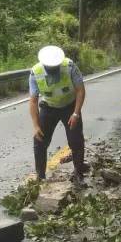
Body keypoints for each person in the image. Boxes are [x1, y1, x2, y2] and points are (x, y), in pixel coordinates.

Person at [29, 45, 86, 181]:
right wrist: (36, 126)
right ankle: (40, 176)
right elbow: (33, 101)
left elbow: (80, 90)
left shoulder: (70, 66)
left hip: (70, 106)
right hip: (49, 107)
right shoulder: (35, 72)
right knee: (39, 140)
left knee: (75, 139)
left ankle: (78, 171)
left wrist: (76, 114)